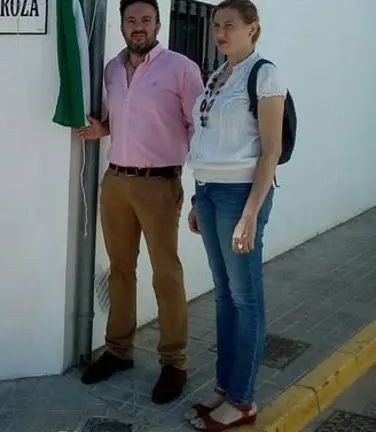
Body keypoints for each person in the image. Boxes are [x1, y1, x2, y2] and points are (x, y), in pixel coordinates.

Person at [76, 0, 204, 404]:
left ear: (158, 23)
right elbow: (126, 118)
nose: (138, 27)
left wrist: (202, 189)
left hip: (159, 185)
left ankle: (174, 362)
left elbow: (199, 130)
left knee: (166, 274)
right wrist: (103, 128)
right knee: (120, 270)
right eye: (131, 20)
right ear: (121, 25)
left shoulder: (182, 69)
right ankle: (118, 351)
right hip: (116, 181)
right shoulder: (112, 70)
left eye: (146, 19)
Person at [184, 0, 286, 430]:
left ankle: (243, 401)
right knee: (224, 295)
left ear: (253, 29)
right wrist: (196, 198)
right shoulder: (217, 75)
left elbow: (271, 150)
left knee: (246, 298)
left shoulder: (264, 74)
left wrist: (250, 214)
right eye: (216, 25)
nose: (220, 32)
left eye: (230, 25)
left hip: (240, 195)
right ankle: (226, 387)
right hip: (209, 193)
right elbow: (207, 140)